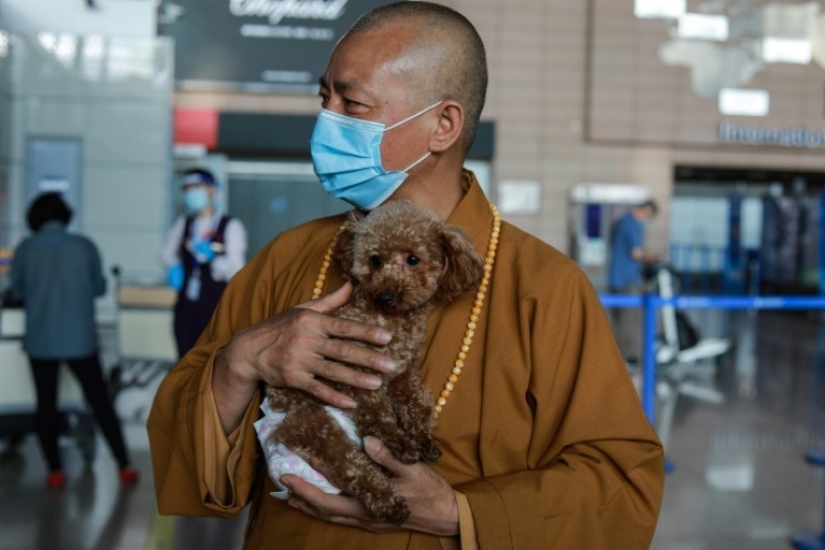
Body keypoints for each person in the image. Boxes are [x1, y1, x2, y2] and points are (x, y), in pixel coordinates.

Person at [147, 3, 665, 548]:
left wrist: (459, 513)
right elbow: (185, 441)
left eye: (353, 103)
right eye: (325, 99)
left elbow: (622, 484)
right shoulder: (289, 257)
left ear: (442, 125)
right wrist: (241, 362)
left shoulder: (543, 285)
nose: (328, 120)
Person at [9, 192, 138, 488]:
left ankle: (55, 471)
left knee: (46, 404)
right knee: (100, 402)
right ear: (66, 216)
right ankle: (124, 464)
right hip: (81, 340)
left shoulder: (26, 249)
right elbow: (99, 287)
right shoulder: (84, 246)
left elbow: (16, 291)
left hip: (41, 340)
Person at [160, 168, 248, 358]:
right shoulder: (184, 223)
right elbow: (167, 252)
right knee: (184, 358)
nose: (191, 193)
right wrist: (174, 266)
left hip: (215, 307)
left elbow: (237, 270)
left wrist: (213, 259)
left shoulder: (230, 226)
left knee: (212, 360)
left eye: (196, 187)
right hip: (186, 306)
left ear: (211, 190)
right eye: (187, 189)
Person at [607, 199, 659, 363]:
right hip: (627, 279)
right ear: (644, 211)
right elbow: (636, 253)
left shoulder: (622, 222)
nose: (647, 221)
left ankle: (619, 356)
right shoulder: (632, 224)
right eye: (649, 216)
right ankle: (626, 359)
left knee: (620, 319)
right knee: (628, 321)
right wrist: (652, 258)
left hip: (617, 277)